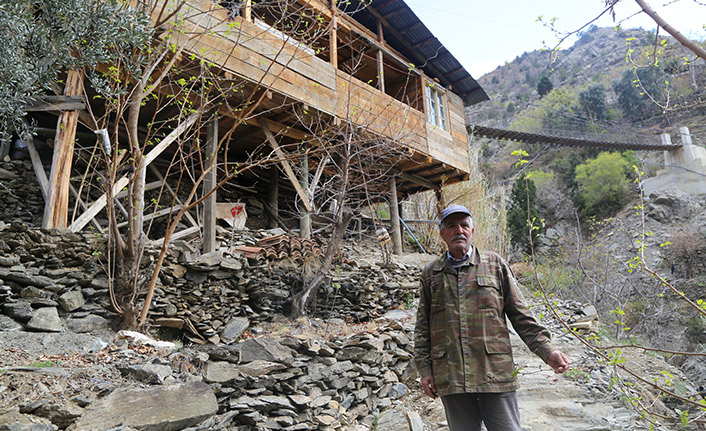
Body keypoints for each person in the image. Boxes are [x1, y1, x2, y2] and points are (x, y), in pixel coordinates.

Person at [413, 204, 569, 431]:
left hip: (494, 373)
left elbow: (520, 315)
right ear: (442, 233)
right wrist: (425, 371)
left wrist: (546, 350)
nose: (459, 230)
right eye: (451, 226)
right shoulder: (431, 274)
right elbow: (423, 328)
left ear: (472, 231)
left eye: (464, 225)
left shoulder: (495, 265)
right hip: (452, 376)